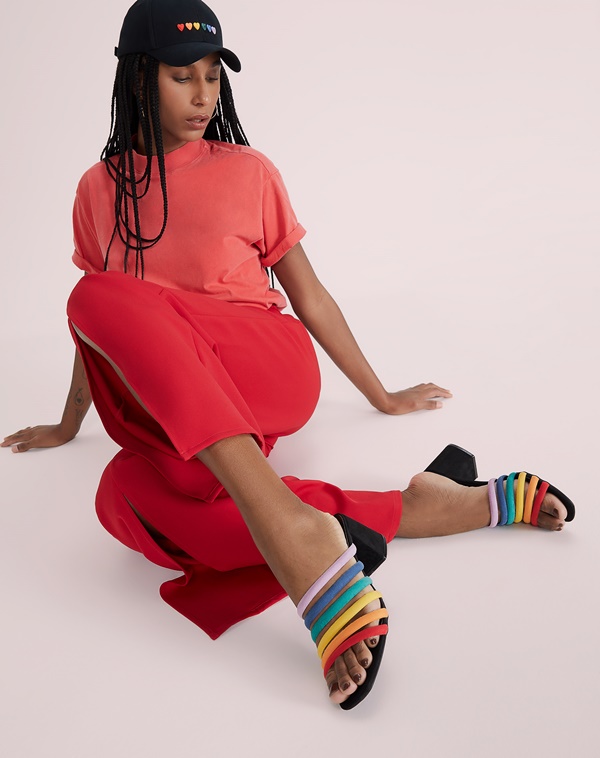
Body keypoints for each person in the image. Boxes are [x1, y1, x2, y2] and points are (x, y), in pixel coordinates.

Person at [1, 0, 574, 709]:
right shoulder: (98, 191)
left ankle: (300, 545)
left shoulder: (249, 171)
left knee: (94, 300)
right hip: (179, 408)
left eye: (214, 75)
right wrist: (68, 426)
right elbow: (105, 336)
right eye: (184, 76)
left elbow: (312, 297)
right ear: (139, 79)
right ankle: (413, 509)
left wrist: (382, 394)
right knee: (120, 495)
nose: (205, 94)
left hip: (262, 370)